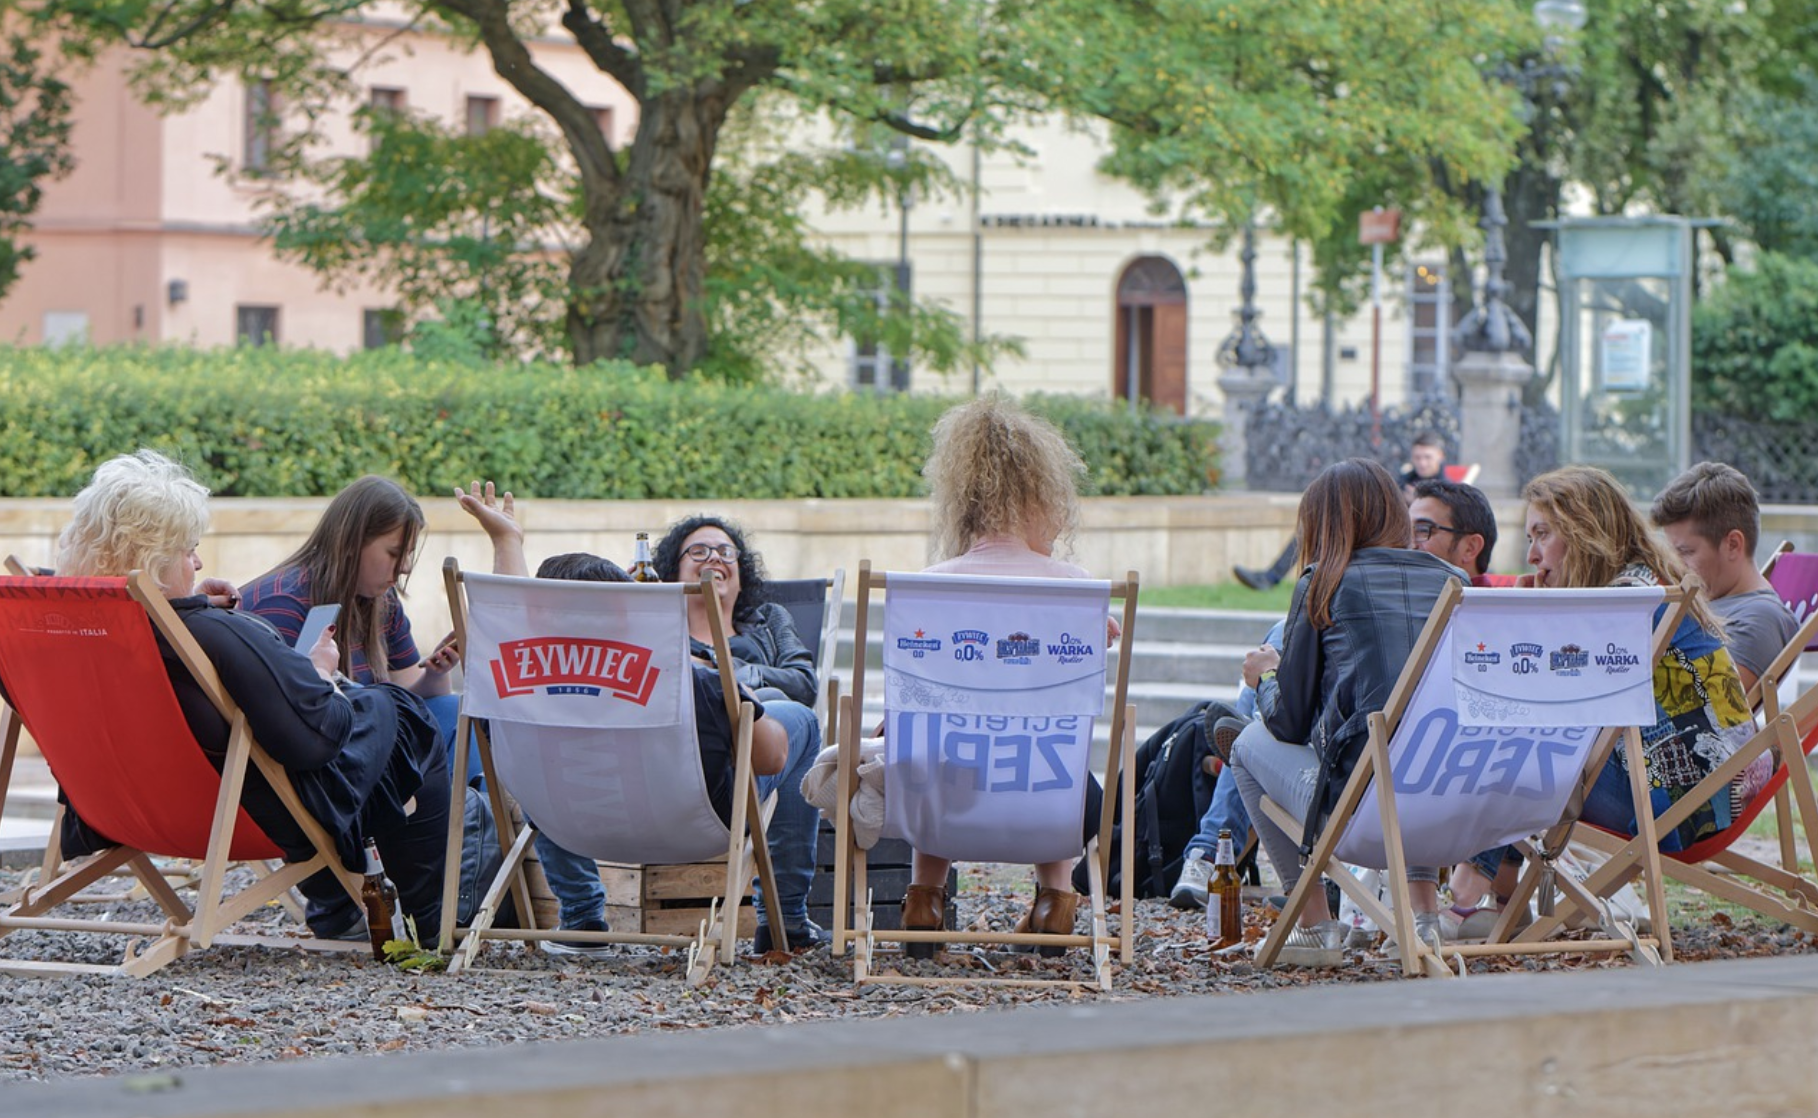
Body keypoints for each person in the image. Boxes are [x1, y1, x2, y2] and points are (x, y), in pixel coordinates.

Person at [57, 451, 450, 940]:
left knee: (389, 719)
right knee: (403, 713)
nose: (198, 561)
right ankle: (429, 921)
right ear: (154, 560)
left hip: (118, 807)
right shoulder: (210, 633)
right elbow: (314, 737)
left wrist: (193, 598)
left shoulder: (75, 633)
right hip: (248, 812)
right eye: (189, 551)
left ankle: (350, 907)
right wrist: (318, 673)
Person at [454, 489, 824, 955]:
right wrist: (746, 700)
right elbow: (771, 757)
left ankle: (582, 919)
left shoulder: (510, 684)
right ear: (629, 612)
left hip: (565, 820)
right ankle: (787, 920)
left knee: (538, 755)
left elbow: (519, 627)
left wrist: (507, 542)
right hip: (691, 821)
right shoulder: (687, 678)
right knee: (801, 721)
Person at [1452, 466, 1756, 917]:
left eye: (1542, 534)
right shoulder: (1640, 583)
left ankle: (1471, 893)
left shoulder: (1625, 599)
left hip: (1687, 802)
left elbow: (1559, 707)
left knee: (1515, 742)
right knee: (1520, 736)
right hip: (1707, 786)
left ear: (1583, 530)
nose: (1532, 555)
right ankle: (1491, 897)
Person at [903, 395, 1118, 953]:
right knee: (1049, 749)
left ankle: (924, 899)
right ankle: (1055, 900)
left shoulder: (930, 585)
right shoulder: (1073, 587)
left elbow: (912, 694)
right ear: (1042, 497)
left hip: (943, 799)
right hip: (1049, 800)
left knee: (938, 751)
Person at [1227, 458, 1461, 965]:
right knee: (1415, 739)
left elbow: (1288, 720)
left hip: (1362, 812)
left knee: (1245, 746)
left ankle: (1314, 927)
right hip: (1451, 800)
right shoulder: (1454, 581)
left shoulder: (1324, 582)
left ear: (1325, 524)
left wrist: (1267, 675)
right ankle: (1421, 919)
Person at [1233, 430, 1449, 591]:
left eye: (1427, 457)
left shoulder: (1449, 487)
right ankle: (1277, 578)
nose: (1421, 462)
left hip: (1406, 542)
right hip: (1374, 533)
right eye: (1417, 457)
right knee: (1319, 523)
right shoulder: (1403, 481)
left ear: (1440, 456)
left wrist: (1416, 502)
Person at [1650, 462, 1798, 693]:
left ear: (1733, 545)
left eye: (1685, 552)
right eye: (1670, 553)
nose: (1673, 566)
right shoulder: (1709, 599)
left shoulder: (1760, 618)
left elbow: (1712, 709)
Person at [1407, 477, 1499, 588]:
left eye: (1423, 530)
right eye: (1406, 529)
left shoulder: (1486, 605)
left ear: (1470, 548)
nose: (1409, 544)